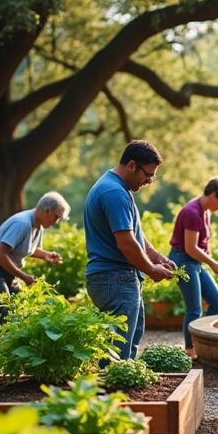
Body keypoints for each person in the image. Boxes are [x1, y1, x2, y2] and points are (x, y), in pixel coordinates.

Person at [84, 140, 174, 361]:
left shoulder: (117, 188)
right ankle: (113, 393)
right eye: (148, 175)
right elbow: (125, 242)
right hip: (113, 278)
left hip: (117, 278)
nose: (149, 181)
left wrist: (156, 256)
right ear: (132, 165)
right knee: (118, 349)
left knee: (130, 339)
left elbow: (134, 234)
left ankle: (122, 389)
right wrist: (152, 270)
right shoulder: (114, 192)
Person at [0, 192, 70, 322]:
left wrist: (46, 255)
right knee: (4, 312)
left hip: (7, 271)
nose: (56, 222)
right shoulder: (22, 223)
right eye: (56, 217)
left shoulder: (38, 226)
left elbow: (28, 247)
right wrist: (25, 277)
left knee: (22, 307)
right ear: (47, 211)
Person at [168, 177, 218, 359]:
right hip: (183, 260)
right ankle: (190, 350)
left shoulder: (206, 211)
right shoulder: (192, 212)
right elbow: (190, 247)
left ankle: (203, 341)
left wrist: (210, 259)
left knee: (217, 301)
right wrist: (213, 264)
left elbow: (204, 242)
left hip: (195, 261)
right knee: (194, 309)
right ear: (214, 195)